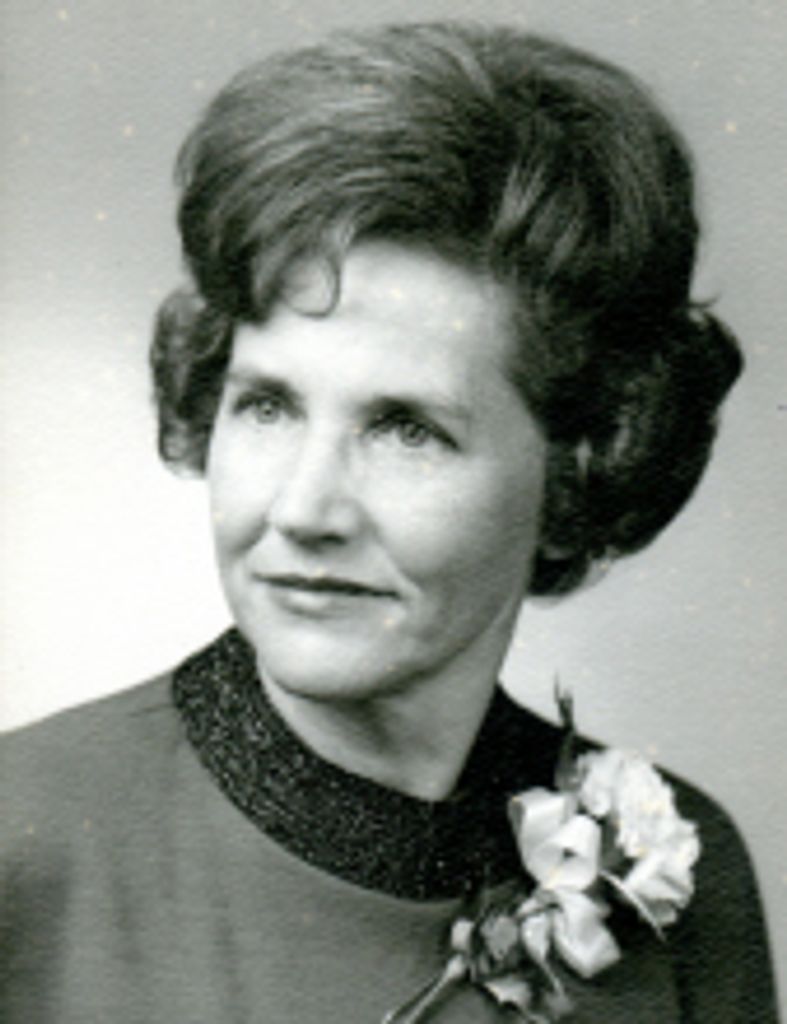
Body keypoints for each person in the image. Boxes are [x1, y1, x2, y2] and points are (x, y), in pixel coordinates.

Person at [0, 20, 777, 1023]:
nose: (303, 509)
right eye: (267, 405)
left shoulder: (671, 881)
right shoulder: (23, 843)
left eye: (407, 429)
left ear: (575, 471)